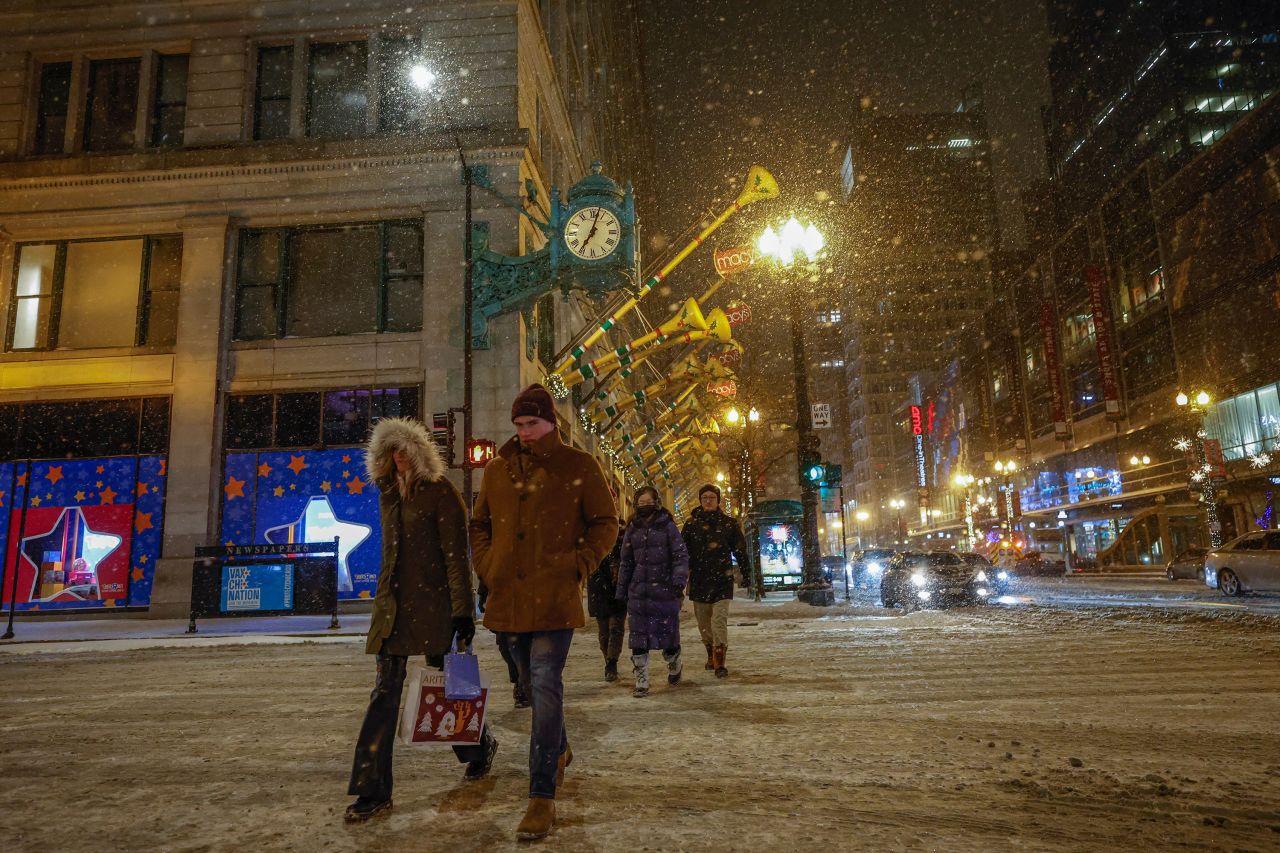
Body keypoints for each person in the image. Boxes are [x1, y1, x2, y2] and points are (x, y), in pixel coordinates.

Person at [471, 384, 618, 841]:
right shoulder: (497, 471)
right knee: (528, 679)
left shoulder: (578, 465)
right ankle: (561, 747)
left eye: (532, 423)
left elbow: (606, 522)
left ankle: (541, 794)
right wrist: (489, 565)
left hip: (554, 596)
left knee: (543, 679)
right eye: (518, 424)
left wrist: (580, 563)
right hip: (507, 599)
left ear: (551, 422)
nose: (524, 432)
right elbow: (480, 524)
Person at [346, 417, 496, 824]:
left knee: (451, 688)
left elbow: (455, 558)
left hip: (434, 608)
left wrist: (464, 613)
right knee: (384, 694)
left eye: (403, 450)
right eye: (389, 451)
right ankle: (372, 789)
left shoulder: (440, 493)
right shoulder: (387, 492)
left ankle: (479, 747)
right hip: (392, 611)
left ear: (417, 452)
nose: (397, 457)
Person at [616, 486, 689, 698]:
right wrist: (622, 590)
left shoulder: (667, 527)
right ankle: (641, 680)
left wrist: (678, 582)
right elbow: (626, 562)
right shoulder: (633, 529)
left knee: (669, 638)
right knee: (638, 640)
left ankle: (674, 661)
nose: (645, 505)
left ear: (656, 502)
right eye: (641, 502)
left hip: (665, 591)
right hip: (638, 593)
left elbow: (680, 555)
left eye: (649, 501)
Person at [681, 483, 751, 678]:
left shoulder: (728, 524)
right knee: (704, 623)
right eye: (705, 498)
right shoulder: (691, 525)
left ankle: (720, 660)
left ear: (718, 500)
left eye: (712, 497)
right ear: (700, 501)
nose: (709, 501)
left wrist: (747, 574)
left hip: (722, 580)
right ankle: (710, 653)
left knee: (719, 620)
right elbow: (681, 554)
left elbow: (740, 550)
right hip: (700, 580)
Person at [587, 521, 627, 681]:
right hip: (599, 589)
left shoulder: (624, 534)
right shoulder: (591, 534)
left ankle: (612, 662)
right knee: (604, 631)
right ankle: (608, 661)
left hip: (618, 589)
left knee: (616, 629)